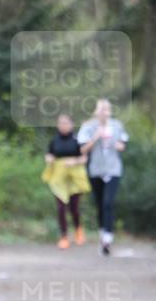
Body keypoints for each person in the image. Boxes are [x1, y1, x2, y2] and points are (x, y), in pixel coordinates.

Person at [77, 99, 129, 255]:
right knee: (100, 204)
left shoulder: (117, 126)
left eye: (107, 109)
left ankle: (108, 238)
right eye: (101, 109)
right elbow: (83, 150)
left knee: (108, 203)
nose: (104, 112)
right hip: (96, 170)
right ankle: (102, 233)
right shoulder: (88, 127)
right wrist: (96, 137)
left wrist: (117, 144)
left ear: (110, 111)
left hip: (113, 170)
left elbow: (123, 145)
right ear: (96, 111)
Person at [42, 113, 90, 249]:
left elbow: (84, 158)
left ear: (71, 124)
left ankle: (78, 230)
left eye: (65, 123)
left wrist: (74, 161)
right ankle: (63, 236)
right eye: (60, 123)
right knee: (61, 208)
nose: (63, 126)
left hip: (75, 177)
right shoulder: (54, 141)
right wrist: (49, 158)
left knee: (74, 207)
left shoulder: (77, 140)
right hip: (59, 177)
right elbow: (49, 154)